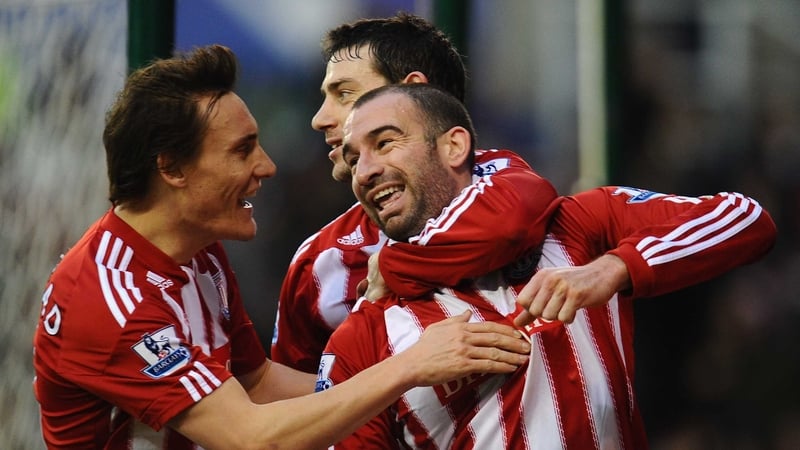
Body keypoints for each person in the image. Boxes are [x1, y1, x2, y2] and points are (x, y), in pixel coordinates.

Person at [31, 45, 534, 450]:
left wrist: (416, 391)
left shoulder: (198, 249)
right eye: (242, 149)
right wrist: (409, 366)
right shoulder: (109, 300)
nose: (267, 166)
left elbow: (257, 382)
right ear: (172, 169)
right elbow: (251, 437)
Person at [316, 83, 777, 448]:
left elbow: (746, 218)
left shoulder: (576, 227)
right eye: (354, 159)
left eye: (386, 143)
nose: (365, 170)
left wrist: (612, 268)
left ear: (455, 146)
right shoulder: (364, 336)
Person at [271, 12, 477, 372]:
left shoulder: (525, 199)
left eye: (345, 94)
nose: (320, 119)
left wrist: (395, 264)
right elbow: (298, 407)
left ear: (412, 91)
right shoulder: (320, 263)